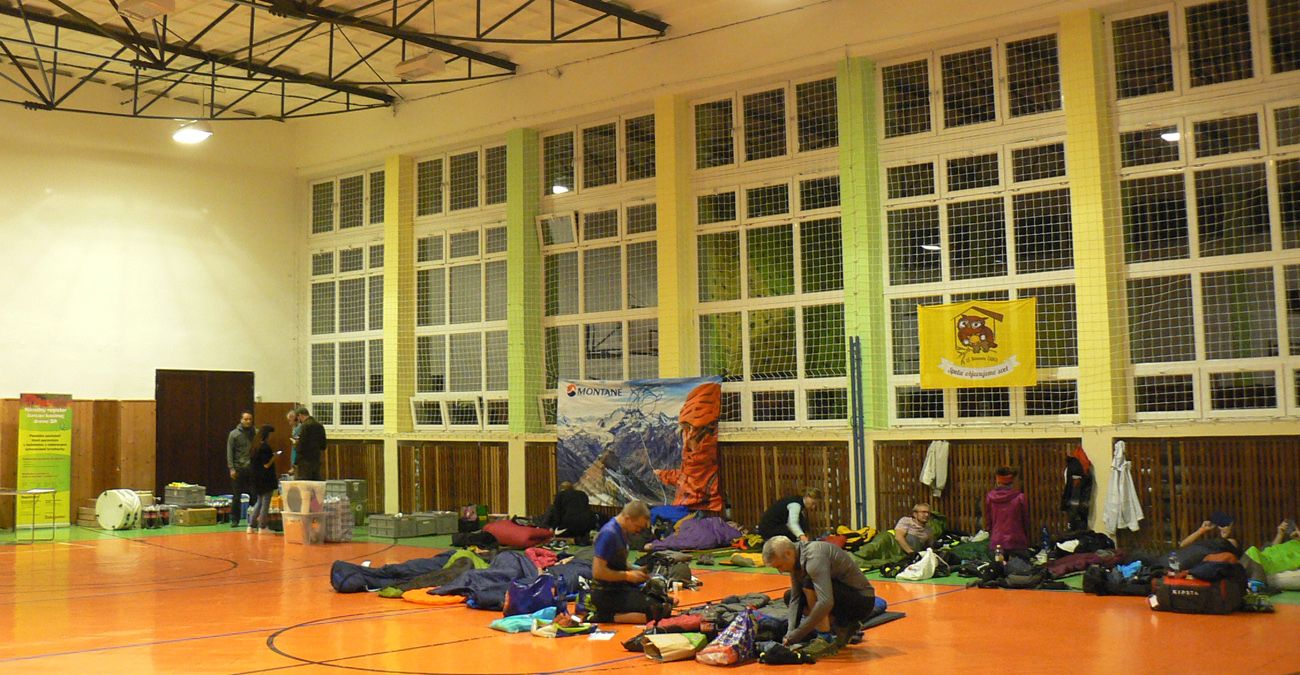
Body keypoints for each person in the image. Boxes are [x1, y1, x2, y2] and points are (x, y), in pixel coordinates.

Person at [763, 535, 876, 657]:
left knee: (809, 583)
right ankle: (844, 625)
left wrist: (798, 634)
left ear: (788, 553)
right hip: (843, 598)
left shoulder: (814, 557)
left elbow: (826, 602)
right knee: (789, 596)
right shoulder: (796, 559)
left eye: (779, 566)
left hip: (862, 601)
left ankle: (825, 639)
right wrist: (789, 635)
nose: (780, 571)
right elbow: (795, 598)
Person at [654, 382, 723, 511]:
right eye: (686, 428)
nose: (687, 436)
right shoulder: (695, 461)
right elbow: (685, 476)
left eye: (691, 428)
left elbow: (692, 480)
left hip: (697, 513)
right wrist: (662, 475)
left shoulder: (704, 462)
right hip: (686, 510)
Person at [589, 501, 656, 623]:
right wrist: (628, 576)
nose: (638, 531)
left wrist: (635, 569)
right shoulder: (609, 534)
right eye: (638, 527)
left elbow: (615, 562)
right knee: (655, 610)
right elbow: (597, 572)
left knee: (661, 600)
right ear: (627, 518)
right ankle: (605, 617)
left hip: (618, 588)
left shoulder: (621, 531)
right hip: (605, 593)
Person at [983, 467, 1031, 554]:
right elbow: (1025, 520)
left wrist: (991, 533)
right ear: (1012, 482)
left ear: (998, 481)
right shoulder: (1020, 497)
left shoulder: (990, 498)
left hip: (997, 540)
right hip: (1017, 540)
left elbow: (988, 520)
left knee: (999, 562)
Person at [758, 487, 823, 542]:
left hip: (770, 528)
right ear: (807, 496)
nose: (813, 507)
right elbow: (792, 523)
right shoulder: (795, 504)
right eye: (813, 503)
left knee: (803, 523)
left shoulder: (796, 500)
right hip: (769, 530)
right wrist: (801, 536)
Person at [542, 481, 598, 545]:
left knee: (557, 535)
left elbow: (557, 514)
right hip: (587, 526)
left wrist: (553, 528)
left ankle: (573, 540)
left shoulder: (560, 495)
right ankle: (580, 539)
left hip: (569, 526)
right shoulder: (583, 494)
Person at [247, 425, 279, 534]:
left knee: (259, 502)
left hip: (256, 478)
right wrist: (274, 457)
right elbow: (266, 464)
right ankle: (263, 526)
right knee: (265, 503)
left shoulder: (254, 446)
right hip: (266, 479)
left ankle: (251, 525)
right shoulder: (265, 447)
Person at [226, 411, 255, 529]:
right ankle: (235, 519)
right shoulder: (234, 434)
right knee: (237, 496)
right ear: (241, 420)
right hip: (238, 469)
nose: (248, 421)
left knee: (254, 494)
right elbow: (230, 452)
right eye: (246, 419)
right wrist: (231, 468)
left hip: (252, 469)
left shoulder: (256, 433)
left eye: (250, 419)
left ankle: (253, 519)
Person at [294, 406, 326, 480]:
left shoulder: (304, 426)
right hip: (316, 459)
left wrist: (295, 443)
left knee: (305, 484)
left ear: (300, 415)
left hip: (304, 460)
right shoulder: (320, 426)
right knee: (315, 482)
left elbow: (301, 445)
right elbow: (323, 445)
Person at [286, 409, 301, 477]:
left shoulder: (299, 429)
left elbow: (296, 448)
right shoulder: (296, 429)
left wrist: (294, 465)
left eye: (290, 420)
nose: (290, 423)